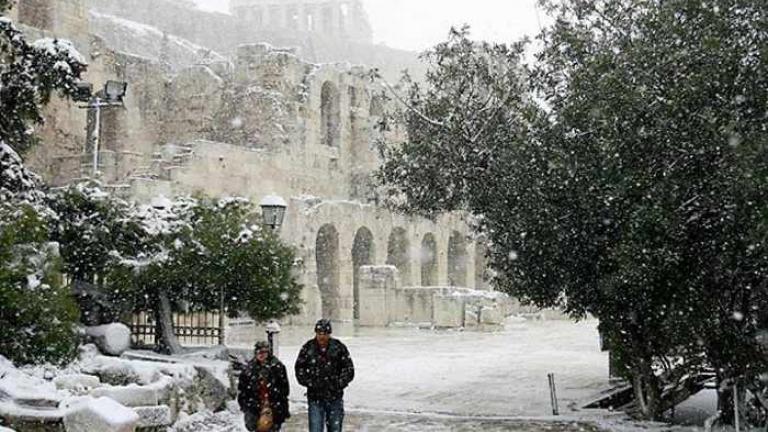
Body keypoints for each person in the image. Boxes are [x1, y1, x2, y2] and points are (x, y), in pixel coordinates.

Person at [294, 319, 355, 432]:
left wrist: (339, 383)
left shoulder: (338, 347)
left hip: (334, 396)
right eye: (319, 333)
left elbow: (349, 369)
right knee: (316, 428)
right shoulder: (308, 348)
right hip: (315, 397)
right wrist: (310, 382)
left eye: (324, 334)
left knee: (335, 428)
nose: (322, 337)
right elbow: (299, 368)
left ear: (329, 334)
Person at [238, 341, 290, 432]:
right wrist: (246, 406)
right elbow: (243, 389)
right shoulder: (249, 369)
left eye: (264, 352)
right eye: (259, 352)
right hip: (254, 407)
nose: (261, 355)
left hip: (274, 406)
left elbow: (284, 388)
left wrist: (276, 401)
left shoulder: (277, 367)